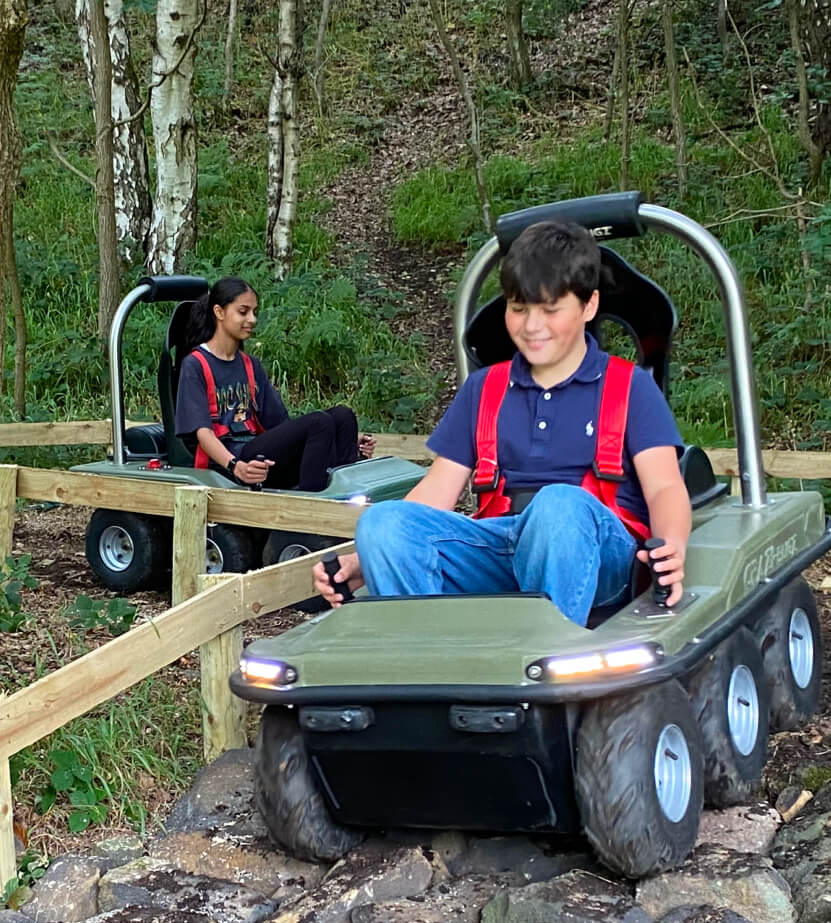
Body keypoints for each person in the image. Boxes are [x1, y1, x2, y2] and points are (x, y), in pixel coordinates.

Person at [313, 221, 690, 627]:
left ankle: (546, 654)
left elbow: (665, 487)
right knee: (382, 522)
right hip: (500, 544)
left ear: (589, 306)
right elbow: (435, 494)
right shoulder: (484, 389)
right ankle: (426, 654)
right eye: (519, 308)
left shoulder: (629, 387)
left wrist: (671, 546)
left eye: (550, 309)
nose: (532, 326)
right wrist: (364, 558)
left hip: (599, 553)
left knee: (558, 507)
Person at [174, 276, 374, 490]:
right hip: (232, 462)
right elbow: (203, 434)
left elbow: (280, 425)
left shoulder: (250, 364)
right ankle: (311, 504)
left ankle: (345, 493)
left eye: (254, 312)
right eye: (243, 312)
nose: (252, 319)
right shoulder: (195, 364)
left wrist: (342, 443)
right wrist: (236, 466)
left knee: (342, 416)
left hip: (259, 455)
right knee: (319, 422)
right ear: (219, 312)